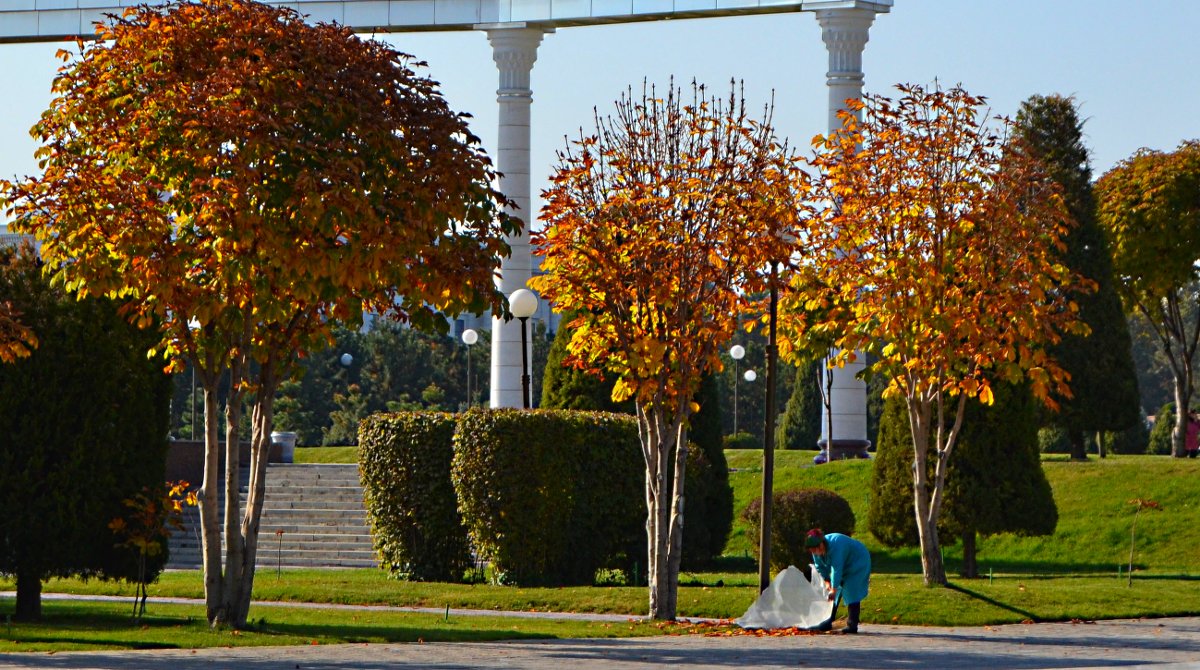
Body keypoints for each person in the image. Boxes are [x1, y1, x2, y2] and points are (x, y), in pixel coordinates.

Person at [805, 528, 871, 634]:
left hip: (858, 561)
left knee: (851, 590)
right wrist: (827, 583)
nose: (816, 552)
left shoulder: (836, 545)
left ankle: (852, 624)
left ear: (822, 543)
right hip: (843, 564)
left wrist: (833, 588)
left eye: (817, 548)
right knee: (832, 593)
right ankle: (826, 622)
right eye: (813, 550)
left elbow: (836, 569)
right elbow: (820, 568)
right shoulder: (816, 551)